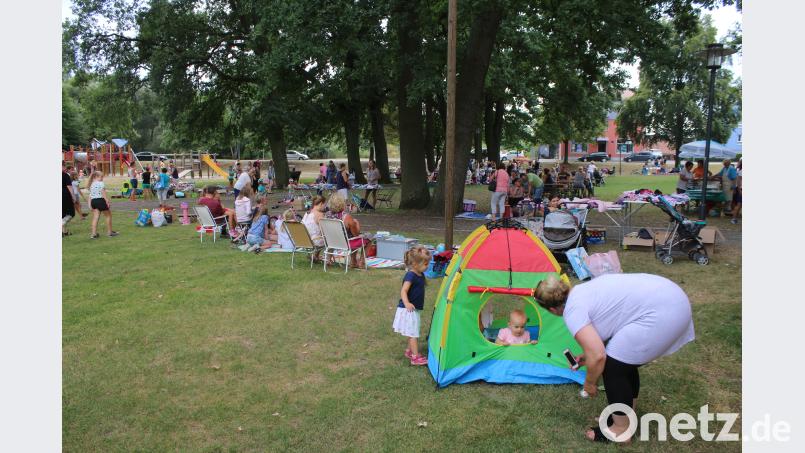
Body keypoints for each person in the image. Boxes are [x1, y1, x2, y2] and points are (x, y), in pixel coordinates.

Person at [533, 274, 694, 443]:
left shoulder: (572, 311)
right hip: (673, 296)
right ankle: (625, 417)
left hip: (663, 313)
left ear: (552, 310)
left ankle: (621, 430)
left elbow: (599, 356)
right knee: (623, 362)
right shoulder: (581, 290)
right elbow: (601, 340)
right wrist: (589, 356)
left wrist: (589, 383)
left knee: (613, 368)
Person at [391, 246, 432, 366]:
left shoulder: (420, 274)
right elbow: (404, 291)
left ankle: (409, 351)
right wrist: (407, 303)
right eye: (425, 263)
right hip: (408, 309)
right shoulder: (410, 275)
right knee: (413, 333)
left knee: (412, 331)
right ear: (415, 264)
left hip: (414, 309)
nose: (427, 266)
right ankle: (415, 357)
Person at [328, 194, 368, 268]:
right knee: (368, 238)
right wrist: (357, 223)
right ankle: (360, 262)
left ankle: (354, 262)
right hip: (345, 243)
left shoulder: (327, 215)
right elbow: (356, 234)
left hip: (332, 242)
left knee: (351, 236)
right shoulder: (346, 217)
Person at [86, 171, 119, 238]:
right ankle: (110, 232)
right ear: (96, 177)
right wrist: (107, 201)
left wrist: (89, 204)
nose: (102, 178)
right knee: (108, 216)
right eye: (101, 177)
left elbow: (90, 195)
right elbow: (103, 193)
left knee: (95, 217)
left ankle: (93, 234)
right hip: (100, 200)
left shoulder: (92, 184)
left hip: (93, 202)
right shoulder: (101, 183)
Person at [62, 161, 76, 236]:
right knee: (71, 213)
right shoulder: (65, 175)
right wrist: (73, 197)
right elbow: (69, 187)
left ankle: (64, 232)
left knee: (63, 215)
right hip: (64, 195)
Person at [731, 159, 742, 224]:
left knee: (739, 205)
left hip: (739, 189)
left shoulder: (739, 170)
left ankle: (735, 218)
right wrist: (739, 190)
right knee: (739, 205)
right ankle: (734, 218)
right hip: (741, 189)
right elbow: (738, 181)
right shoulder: (741, 171)